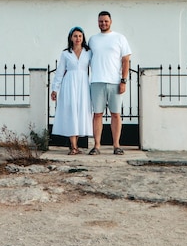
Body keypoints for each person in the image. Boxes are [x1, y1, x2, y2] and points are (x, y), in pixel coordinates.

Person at [88, 11, 131, 155]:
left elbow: (126, 60)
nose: (103, 23)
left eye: (106, 21)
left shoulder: (120, 38)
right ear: (97, 22)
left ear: (110, 21)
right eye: (100, 21)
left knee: (116, 114)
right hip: (97, 82)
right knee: (97, 114)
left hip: (115, 82)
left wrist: (123, 80)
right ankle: (97, 146)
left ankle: (116, 145)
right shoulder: (92, 40)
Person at [51, 26, 93, 155]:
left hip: (83, 85)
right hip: (69, 84)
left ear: (83, 37)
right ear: (71, 38)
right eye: (75, 36)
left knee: (81, 112)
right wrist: (55, 89)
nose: (78, 38)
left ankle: (76, 145)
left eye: (80, 36)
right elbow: (60, 72)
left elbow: (95, 67)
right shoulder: (66, 53)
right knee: (71, 112)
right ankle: (73, 146)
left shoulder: (88, 52)